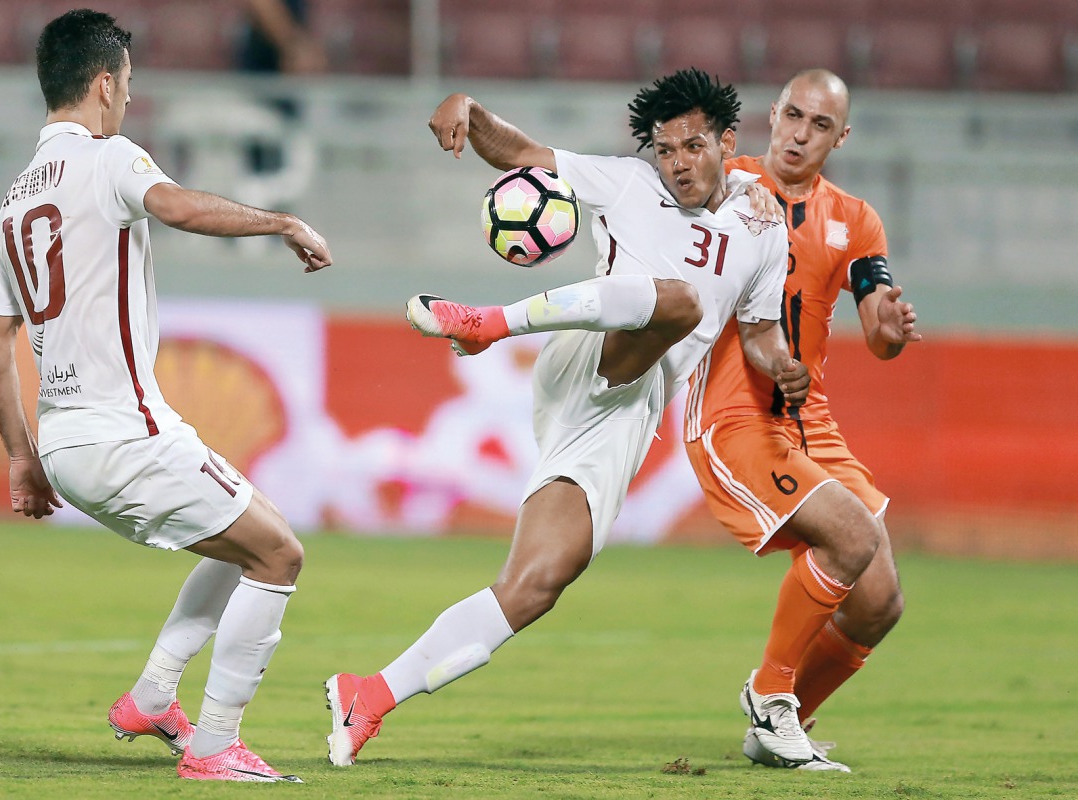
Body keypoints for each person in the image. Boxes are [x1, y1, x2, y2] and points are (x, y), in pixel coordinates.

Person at [324, 68, 810, 767]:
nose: (677, 162)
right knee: (679, 303)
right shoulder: (627, 183)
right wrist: (469, 108)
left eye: (693, 146)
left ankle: (367, 695)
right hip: (586, 357)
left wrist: (782, 364)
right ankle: (490, 322)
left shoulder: (763, 225)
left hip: (627, 409)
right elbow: (521, 154)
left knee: (538, 583)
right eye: (665, 148)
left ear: (729, 141)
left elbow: (760, 333)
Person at [0, 9, 331, 783]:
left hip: (67, 444)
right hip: (124, 435)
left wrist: (21, 459)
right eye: (128, 85)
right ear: (105, 83)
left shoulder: (13, 203)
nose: (130, 100)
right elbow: (174, 206)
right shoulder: (109, 160)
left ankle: (152, 696)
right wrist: (281, 220)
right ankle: (214, 746)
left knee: (248, 532)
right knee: (279, 553)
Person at [683, 68, 922, 772]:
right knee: (851, 538)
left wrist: (891, 328)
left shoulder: (857, 220)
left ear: (840, 137)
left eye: (820, 125)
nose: (800, 133)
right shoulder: (724, 182)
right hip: (735, 412)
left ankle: (780, 722)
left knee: (879, 598)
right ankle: (771, 694)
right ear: (773, 114)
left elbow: (878, 335)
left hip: (810, 421)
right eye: (793, 115)